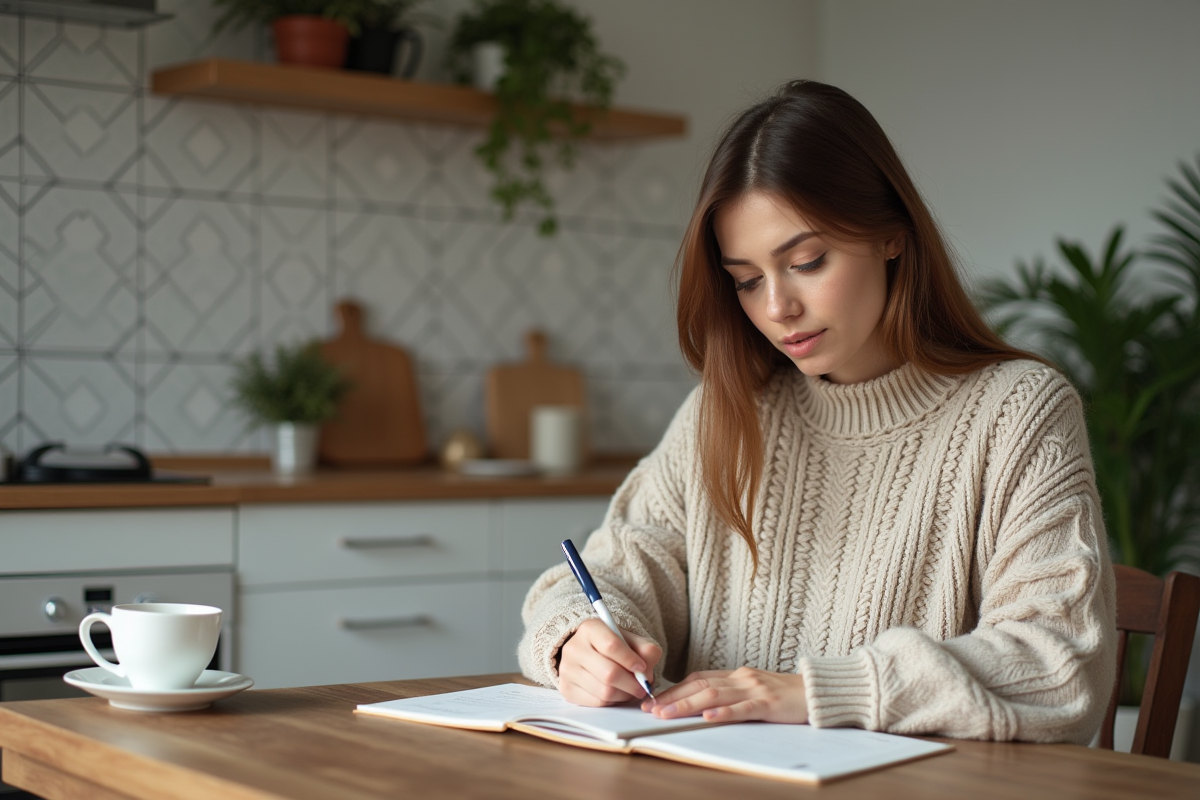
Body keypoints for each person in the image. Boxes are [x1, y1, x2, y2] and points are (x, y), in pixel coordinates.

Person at [517, 80, 1116, 744]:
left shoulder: (1017, 410)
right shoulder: (728, 411)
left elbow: (1058, 666)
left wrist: (812, 693)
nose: (777, 308)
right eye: (746, 280)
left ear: (891, 236)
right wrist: (581, 640)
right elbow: (613, 571)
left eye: (805, 261)